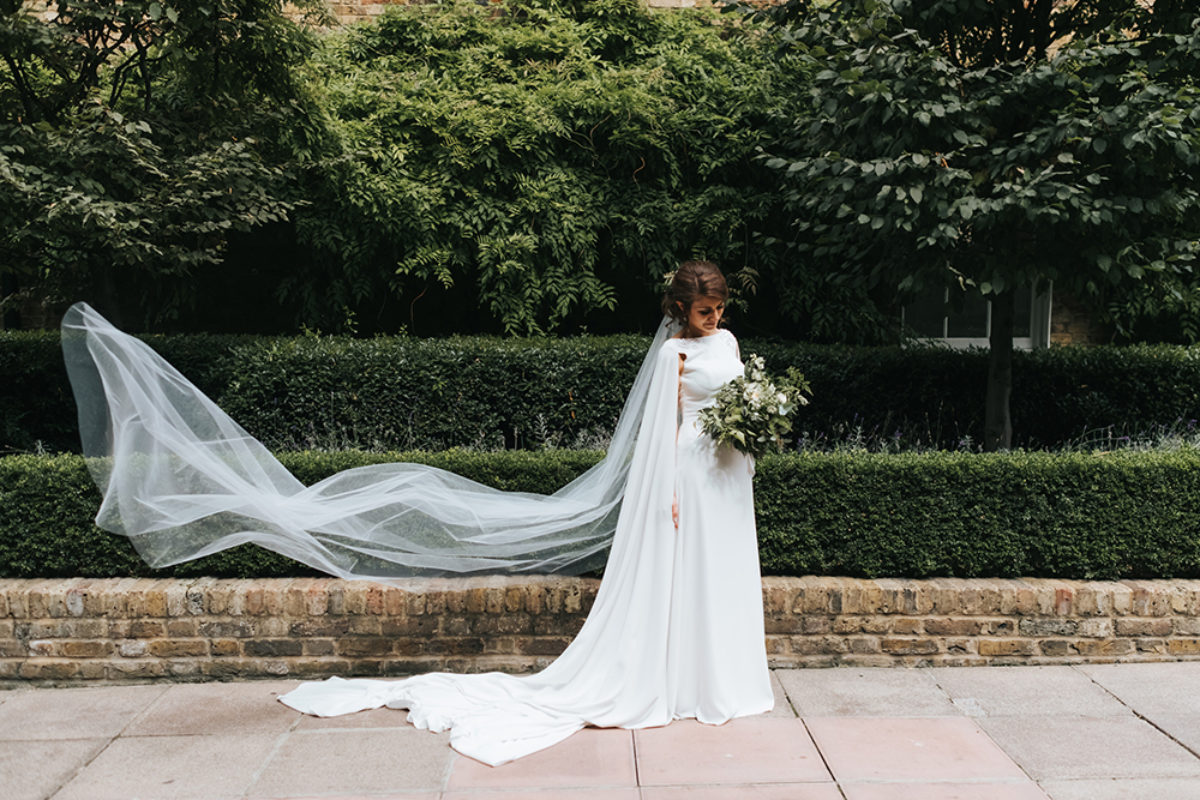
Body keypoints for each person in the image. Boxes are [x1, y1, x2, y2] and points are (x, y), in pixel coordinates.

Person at [60, 260, 772, 766]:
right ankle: (676, 677)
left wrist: (754, 429)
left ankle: (717, 675)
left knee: (720, 576)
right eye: (703, 311)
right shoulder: (674, 354)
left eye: (718, 310)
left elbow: (738, 399)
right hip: (684, 475)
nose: (714, 320)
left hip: (726, 474)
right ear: (679, 310)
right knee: (684, 574)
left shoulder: (729, 344)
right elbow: (656, 439)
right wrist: (669, 497)